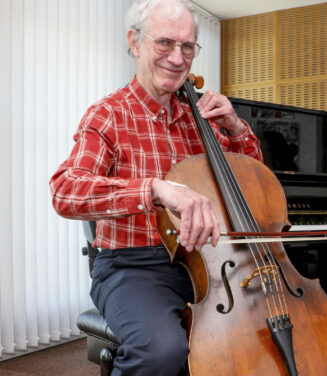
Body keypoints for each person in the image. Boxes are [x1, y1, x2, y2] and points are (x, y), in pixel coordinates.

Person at [49, 0, 262, 375]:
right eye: (165, 43)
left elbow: (255, 185)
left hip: (207, 262)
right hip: (133, 266)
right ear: (135, 42)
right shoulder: (109, 114)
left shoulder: (202, 119)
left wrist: (235, 128)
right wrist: (154, 190)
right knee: (160, 352)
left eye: (187, 47)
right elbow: (66, 191)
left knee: (254, 337)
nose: (177, 58)